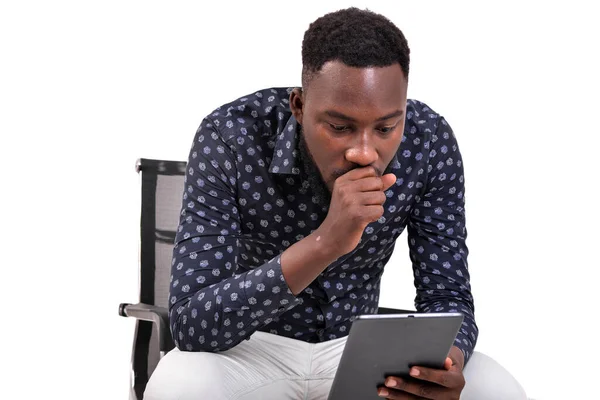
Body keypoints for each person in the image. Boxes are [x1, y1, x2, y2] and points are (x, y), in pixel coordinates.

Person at [145, 7, 527, 400]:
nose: (364, 152)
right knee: (178, 384)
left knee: (496, 389)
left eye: (386, 127)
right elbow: (191, 325)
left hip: (360, 350)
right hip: (247, 348)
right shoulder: (231, 136)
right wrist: (326, 242)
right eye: (340, 127)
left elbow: (448, 297)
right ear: (299, 106)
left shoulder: (428, 142)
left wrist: (444, 364)